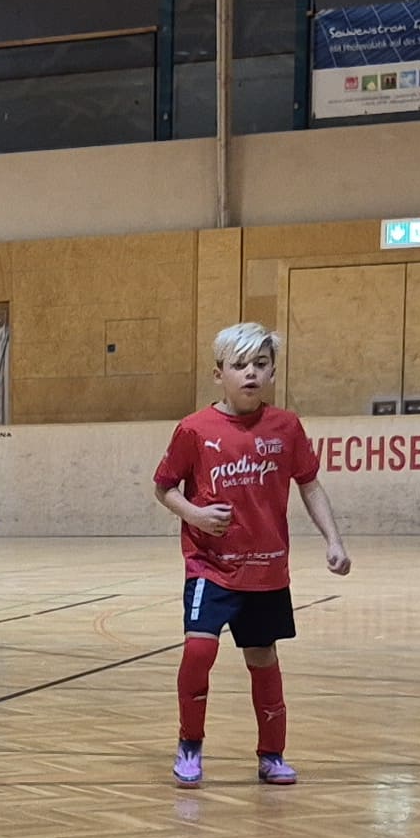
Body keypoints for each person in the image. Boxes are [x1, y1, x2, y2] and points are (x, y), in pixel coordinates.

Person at [155, 321, 352, 787]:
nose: (250, 373)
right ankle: (189, 745)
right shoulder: (194, 430)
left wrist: (334, 540)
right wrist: (196, 516)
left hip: (266, 571)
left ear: (273, 372)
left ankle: (272, 754)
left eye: (260, 364)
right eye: (239, 365)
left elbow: (310, 485)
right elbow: (164, 487)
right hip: (210, 566)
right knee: (198, 650)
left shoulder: (286, 427)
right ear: (218, 373)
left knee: (263, 659)